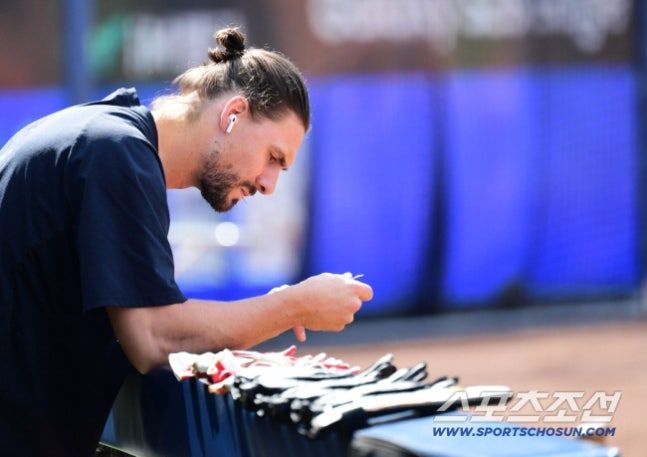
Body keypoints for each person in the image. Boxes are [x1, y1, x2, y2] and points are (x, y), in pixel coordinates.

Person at [0, 27, 373, 456]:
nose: (269, 185)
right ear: (233, 114)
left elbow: (143, 325)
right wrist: (294, 307)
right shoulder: (116, 153)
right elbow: (153, 338)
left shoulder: (109, 137)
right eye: (273, 158)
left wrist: (249, 332)